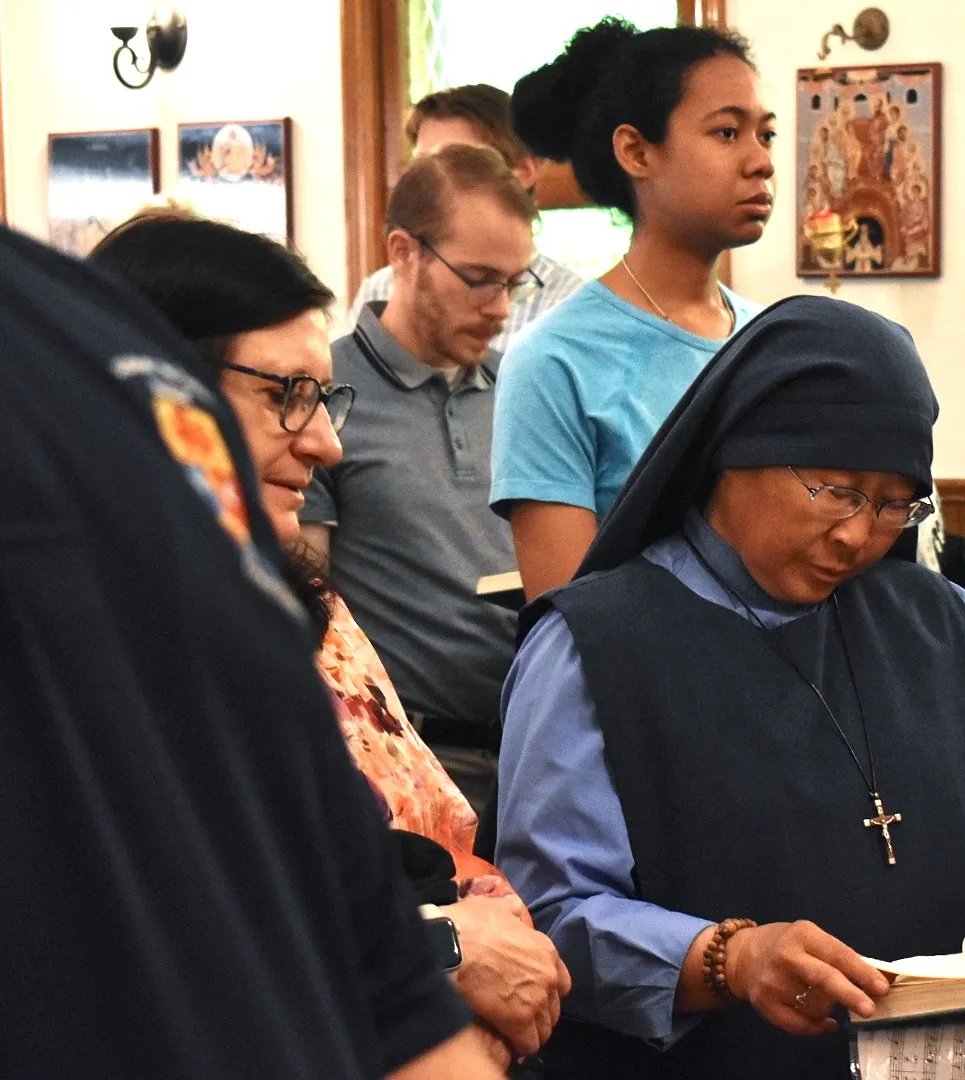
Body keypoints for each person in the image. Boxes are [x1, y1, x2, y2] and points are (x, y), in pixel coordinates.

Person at [497, 296, 965, 1079]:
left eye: (895, 503)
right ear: (733, 452)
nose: (858, 534)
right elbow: (548, 918)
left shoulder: (940, 622)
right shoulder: (593, 644)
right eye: (835, 490)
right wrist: (728, 958)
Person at [0, 224, 504, 1077]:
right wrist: (455, 948)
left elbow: (368, 926)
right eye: (286, 394)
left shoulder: (276, 620)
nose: (324, 442)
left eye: (324, 398)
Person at [491, 17, 774, 600]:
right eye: (726, 133)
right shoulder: (555, 362)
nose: (760, 161)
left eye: (764, 135)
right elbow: (568, 621)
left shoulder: (773, 341)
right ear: (637, 151)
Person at [301, 144, 536, 813]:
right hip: (406, 768)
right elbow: (306, 602)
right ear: (403, 253)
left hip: (535, 756)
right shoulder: (326, 393)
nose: (501, 306)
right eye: (480, 278)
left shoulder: (521, 391)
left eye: (516, 282)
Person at [349, 83, 585, 349]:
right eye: (422, 167)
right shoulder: (380, 290)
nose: (432, 185)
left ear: (523, 172)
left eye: (458, 164)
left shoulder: (569, 305)